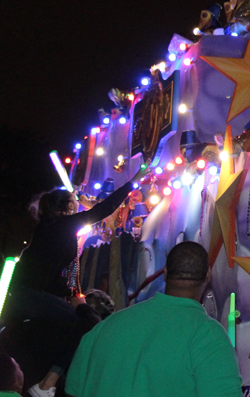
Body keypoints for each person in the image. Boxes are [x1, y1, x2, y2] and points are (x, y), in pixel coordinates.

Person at [2, 166, 146, 397]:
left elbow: (47, 272)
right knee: (82, 323)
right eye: (74, 200)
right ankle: (47, 385)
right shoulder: (63, 226)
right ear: (69, 207)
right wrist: (133, 182)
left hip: (24, 291)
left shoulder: (49, 228)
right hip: (27, 294)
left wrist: (71, 295)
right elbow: (104, 209)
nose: (78, 201)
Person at [66, 241, 242, 397]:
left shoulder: (104, 328)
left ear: (165, 273)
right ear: (207, 275)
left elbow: (72, 391)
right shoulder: (209, 337)